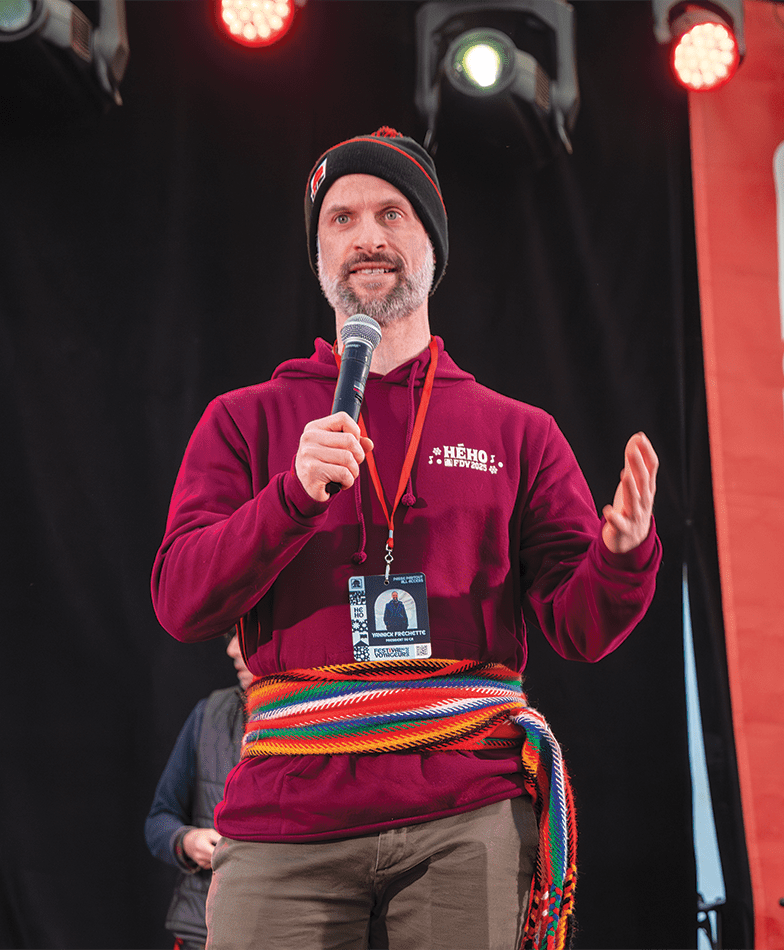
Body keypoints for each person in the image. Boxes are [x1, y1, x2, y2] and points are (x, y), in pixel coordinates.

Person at [151, 127, 661, 950]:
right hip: (287, 808)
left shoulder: (516, 431)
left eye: (393, 213)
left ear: (432, 242)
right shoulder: (247, 420)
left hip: (466, 807)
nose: (368, 237)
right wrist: (290, 496)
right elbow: (181, 602)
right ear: (318, 251)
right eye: (342, 219)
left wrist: (622, 556)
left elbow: (579, 626)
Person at [144, 634, 252, 950]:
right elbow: (158, 821)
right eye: (232, 636)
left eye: (243, 635)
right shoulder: (210, 714)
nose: (232, 649)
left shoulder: (324, 721)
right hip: (203, 931)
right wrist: (188, 842)